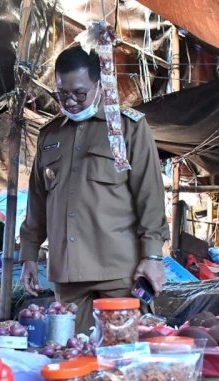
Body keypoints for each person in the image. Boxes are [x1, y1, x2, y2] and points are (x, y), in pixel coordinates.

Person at [19, 45, 169, 332]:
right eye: (62, 94)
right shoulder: (50, 135)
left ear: (99, 85)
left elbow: (150, 197)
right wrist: (28, 256)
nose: (71, 102)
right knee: (74, 357)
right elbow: (37, 202)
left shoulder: (128, 128)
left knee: (123, 360)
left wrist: (152, 257)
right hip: (67, 275)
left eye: (79, 93)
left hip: (119, 274)